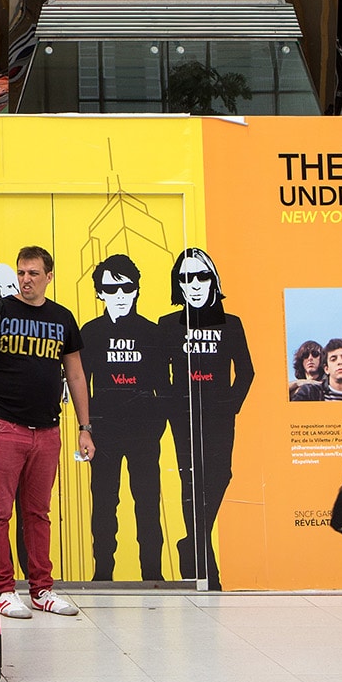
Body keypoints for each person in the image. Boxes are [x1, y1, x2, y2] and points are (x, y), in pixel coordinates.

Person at [0, 246, 92, 619]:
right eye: (21, 273)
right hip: (2, 427)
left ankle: (42, 589)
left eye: (33, 273)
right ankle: (2, 589)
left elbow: (76, 375)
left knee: (38, 513)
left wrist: (85, 427)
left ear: (49, 276)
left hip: (47, 431)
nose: (26, 279)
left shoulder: (62, 318)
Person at [159, 247, 252, 589]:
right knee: (190, 484)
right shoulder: (168, 325)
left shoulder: (231, 324)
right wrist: (172, 407)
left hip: (219, 416)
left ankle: (191, 543)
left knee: (219, 474)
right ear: (178, 284)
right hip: (182, 418)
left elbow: (246, 372)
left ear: (213, 280)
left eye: (201, 276)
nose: (194, 284)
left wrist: (230, 405)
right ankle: (205, 569)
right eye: (186, 277)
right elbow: (159, 373)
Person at [81, 254, 171, 583]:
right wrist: (86, 428)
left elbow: (164, 384)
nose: (119, 294)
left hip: (144, 432)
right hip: (104, 431)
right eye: (111, 287)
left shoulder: (153, 333)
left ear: (136, 290)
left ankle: (153, 574)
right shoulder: (89, 333)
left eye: (126, 287)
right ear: (100, 292)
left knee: (147, 502)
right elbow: (81, 385)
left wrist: (156, 422)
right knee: (104, 504)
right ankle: (102, 573)